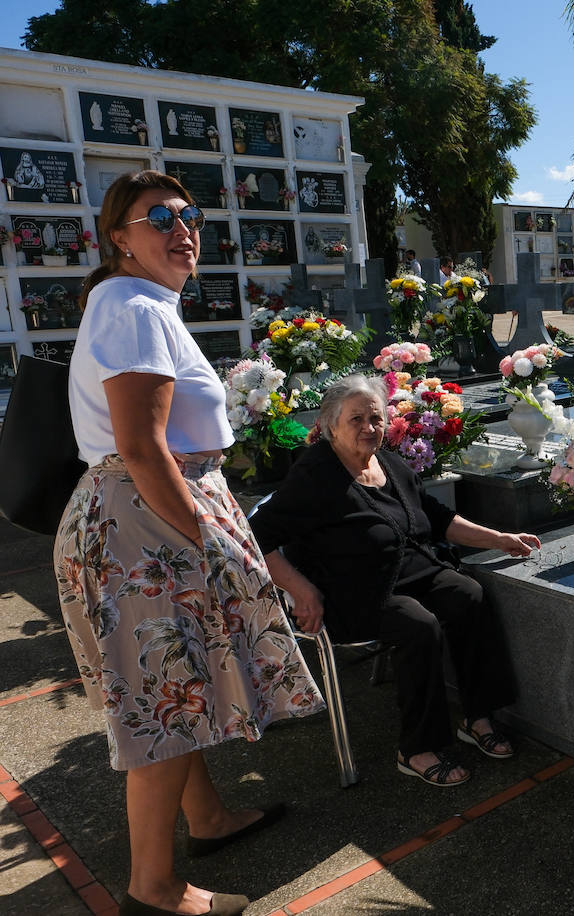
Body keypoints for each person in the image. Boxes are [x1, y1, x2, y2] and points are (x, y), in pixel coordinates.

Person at [54, 170, 323, 916]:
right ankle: (155, 889)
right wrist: (209, 543)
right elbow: (142, 447)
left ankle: (205, 818)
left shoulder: (141, 304)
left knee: (180, 683)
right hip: (145, 522)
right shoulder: (132, 303)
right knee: (160, 708)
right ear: (120, 238)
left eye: (190, 214)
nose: (182, 228)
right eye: (159, 217)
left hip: (141, 517)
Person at [249, 377, 541, 789]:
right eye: (356, 419)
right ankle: (417, 748)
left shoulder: (389, 462)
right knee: (418, 626)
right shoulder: (314, 476)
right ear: (330, 425)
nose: (369, 427)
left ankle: (477, 715)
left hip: (412, 572)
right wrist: (300, 589)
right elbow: (256, 537)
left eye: (376, 417)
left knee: (467, 594)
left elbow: (437, 518)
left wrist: (500, 539)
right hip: (352, 591)